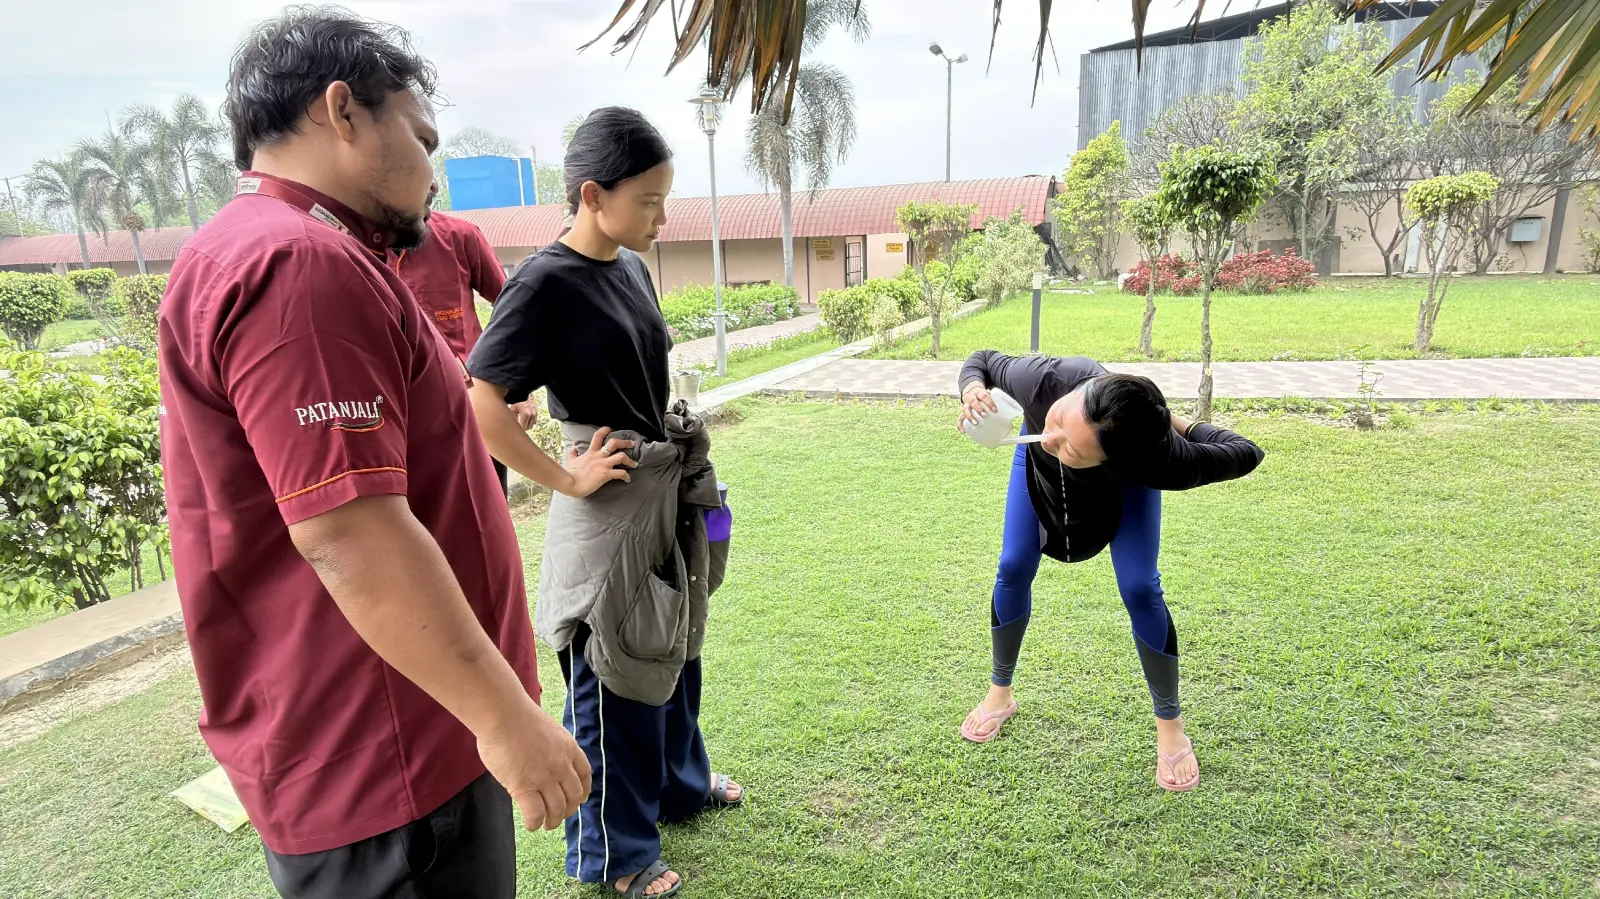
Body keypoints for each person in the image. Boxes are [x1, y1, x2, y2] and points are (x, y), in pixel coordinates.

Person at [157, 9, 623, 897]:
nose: (431, 170)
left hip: (387, 737)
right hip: (393, 757)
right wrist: (506, 718)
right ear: (343, 111)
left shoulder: (264, 247)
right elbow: (350, 533)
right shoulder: (299, 265)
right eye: (422, 137)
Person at [466, 107, 740, 899]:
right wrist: (567, 477)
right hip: (608, 505)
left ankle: (680, 786)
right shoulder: (543, 281)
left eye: (664, 199)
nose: (663, 217)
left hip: (662, 486)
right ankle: (618, 853)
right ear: (593, 194)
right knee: (614, 667)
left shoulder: (628, 264)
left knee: (675, 640)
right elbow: (483, 404)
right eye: (649, 200)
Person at [955, 351, 1265, 792]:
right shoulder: (1044, 382)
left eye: (1071, 447)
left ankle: (1171, 727)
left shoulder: (1159, 460)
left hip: (1126, 482)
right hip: (1039, 471)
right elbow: (982, 361)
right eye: (1061, 418)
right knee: (1012, 564)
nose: (1053, 437)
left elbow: (1246, 451)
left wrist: (1170, 423)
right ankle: (999, 693)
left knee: (1140, 587)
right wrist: (972, 391)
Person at [392, 188, 538, 491]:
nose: (431, 189)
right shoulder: (348, 246)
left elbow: (514, 314)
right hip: (397, 412)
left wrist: (520, 391)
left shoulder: (460, 236)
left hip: (471, 404)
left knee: (488, 500)